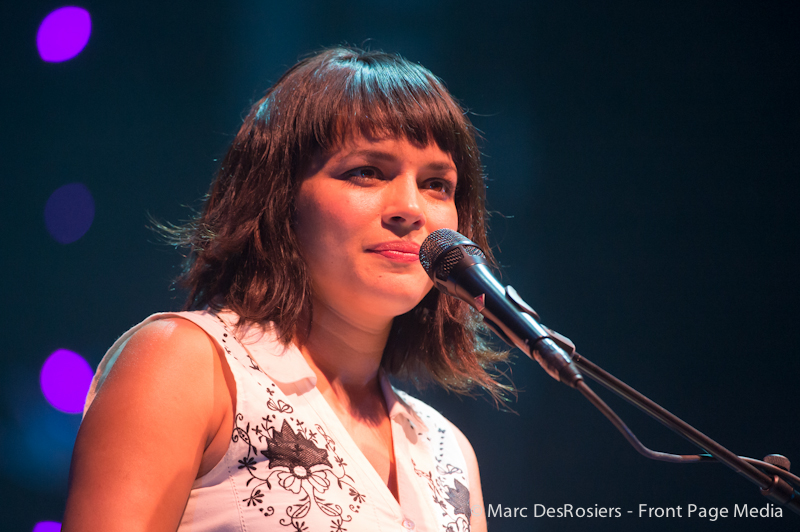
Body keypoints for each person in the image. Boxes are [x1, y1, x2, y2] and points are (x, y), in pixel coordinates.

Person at [62, 46, 510, 532]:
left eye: (437, 184)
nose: (410, 208)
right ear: (280, 200)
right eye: (366, 172)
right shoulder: (186, 363)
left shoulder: (448, 450)